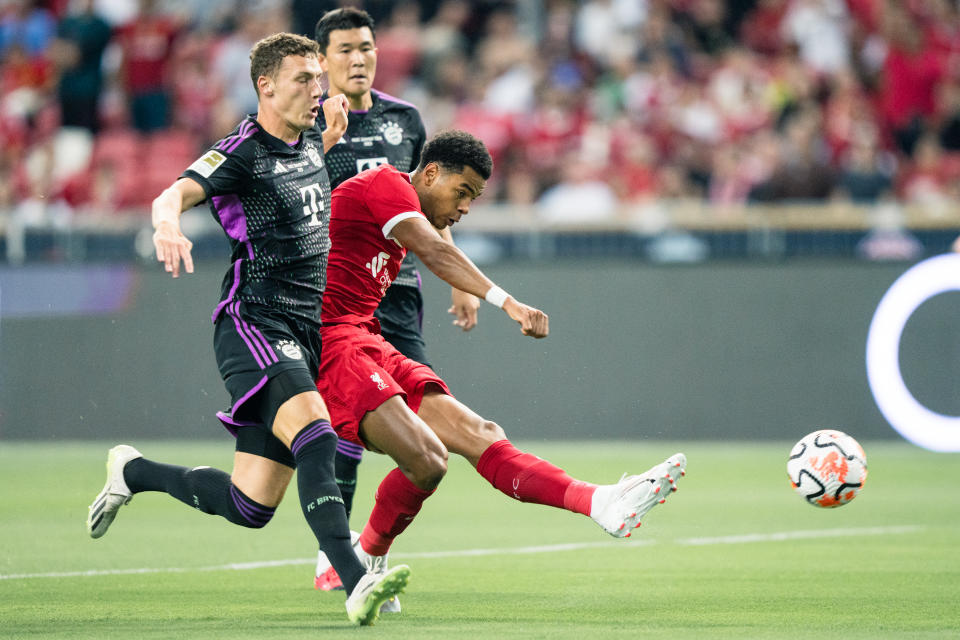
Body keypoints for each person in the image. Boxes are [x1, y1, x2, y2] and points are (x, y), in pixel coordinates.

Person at [84, 32, 408, 626]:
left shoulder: (312, 138)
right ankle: (356, 581)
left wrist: (332, 128)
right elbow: (173, 193)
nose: (318, 89)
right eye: (304, 80)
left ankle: (133, 471)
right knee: (317, 435)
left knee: (250, 504)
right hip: (253, 322)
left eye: (319, 79)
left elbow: (322, 137)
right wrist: (167, 224)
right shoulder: (243, 151)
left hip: (303, 333)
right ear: (265, 85)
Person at [316, 129, 687, 597]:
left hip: (366, 340)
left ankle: (599, 501)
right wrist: (505, 302)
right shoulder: (385, 183)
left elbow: (435, 239)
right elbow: (435, 249)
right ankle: (358, 558)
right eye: (463, 191)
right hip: (329, 345)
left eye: (473, 197)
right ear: (429, 174)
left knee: (478, 436)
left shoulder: (406, 207)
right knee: (416, 462)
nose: (466, 206)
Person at [311, 7, 480, 593]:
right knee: (342, 424)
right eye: (345, 50)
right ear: (322, 60)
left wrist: (458, 279)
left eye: (367, 47)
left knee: (417, 412)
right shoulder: (307, 122)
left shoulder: (404, 118)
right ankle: (336, 552)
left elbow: (430, 202)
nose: (358, 59)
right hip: (330, 287)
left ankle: (368, 553)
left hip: (397, 287)